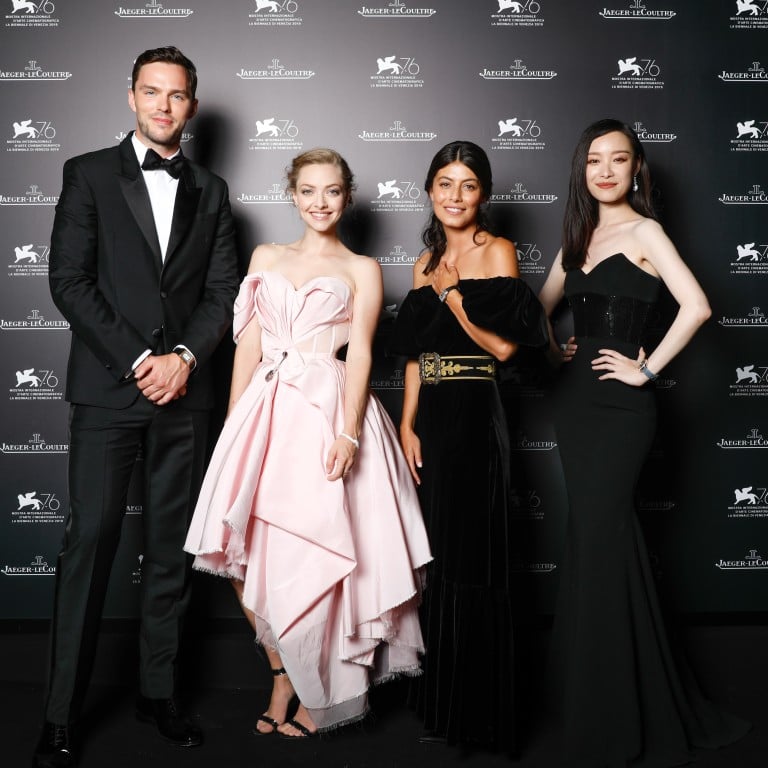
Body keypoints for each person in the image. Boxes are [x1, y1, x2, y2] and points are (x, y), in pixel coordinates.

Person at [35, 46, 239, 768]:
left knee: (171, 552)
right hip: (109, 392)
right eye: (152, 92)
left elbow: (222, 292)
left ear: (192, 105)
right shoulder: (88, 173)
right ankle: (60, 713)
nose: (163, 106)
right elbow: (68, 280)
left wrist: (182, 359)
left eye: (176, 95)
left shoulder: (211, 189)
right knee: (89, 543)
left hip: (184, 396)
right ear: (131, 96)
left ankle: (159, 693)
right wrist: (139, 360)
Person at [184, 148, 432, 739]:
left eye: (332, 191)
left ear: (347, 197)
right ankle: (282, 673)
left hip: (326, 410)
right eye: (309, 191)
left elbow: (362, 353)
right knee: (244, 550)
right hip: (263, 411)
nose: (320, 202)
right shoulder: (265, 256)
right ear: (292, 195)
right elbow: (248, 345)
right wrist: (234, 423)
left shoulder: (362, 267)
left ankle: (317, 689)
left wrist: (349, 430)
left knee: (318, 552)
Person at [538, 118, 750, 767]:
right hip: (574, 404)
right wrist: (555, 348)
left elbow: (697, 306)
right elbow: (538, 310)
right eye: (594, 160)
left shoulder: (646, 232)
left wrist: (648, 369)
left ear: (636, 169)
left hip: (622, 407)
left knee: (603, 537)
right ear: (582, 170)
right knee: (595, 540)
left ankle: (620, 711)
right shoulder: (576, 238)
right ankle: (597, 700)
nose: (605, 170)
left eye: (618, 159)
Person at [388, 141, 548, 754]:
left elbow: (505, 349)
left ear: (484, 194)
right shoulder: (422, 262)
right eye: (445, 184)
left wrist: (455, 297)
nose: (455, 196)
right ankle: (440, 704)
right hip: (432, 416)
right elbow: (414, 356)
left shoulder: (497, 250)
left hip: (477, 412)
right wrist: (407, 424)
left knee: (474, 556)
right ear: (430, 190)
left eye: (468, 185)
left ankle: (477, 714)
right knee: (439, 555)